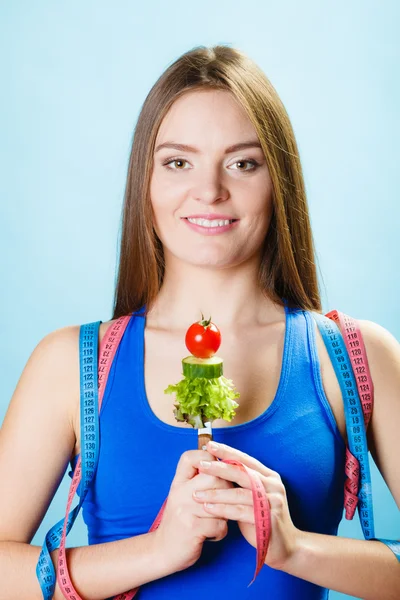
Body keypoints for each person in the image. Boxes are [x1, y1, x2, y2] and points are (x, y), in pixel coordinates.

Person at [0, 44, 399, 600]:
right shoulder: (68, 365)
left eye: (243, 162)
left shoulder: (359, 358)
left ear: (277, 180)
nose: (210, 190)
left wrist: (294, 548)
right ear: (147, 180)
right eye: (178, 161)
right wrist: (156, 550)